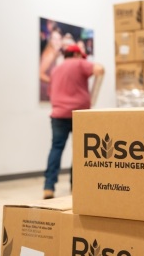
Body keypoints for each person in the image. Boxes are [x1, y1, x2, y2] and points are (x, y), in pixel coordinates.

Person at [43, 44, 104, 199]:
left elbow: (51, 92)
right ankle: (75, 187)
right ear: (77, 55)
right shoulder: (79, 63)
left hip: (58, 114)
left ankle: (48, 187)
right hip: (79, 115)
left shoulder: (56, 69)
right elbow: (99, 70)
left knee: (56, 148)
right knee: (79, 151)